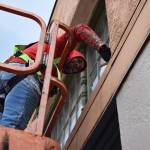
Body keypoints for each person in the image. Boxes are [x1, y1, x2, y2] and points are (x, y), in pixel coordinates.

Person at [0, 24, 111, 130]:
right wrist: (101, 47)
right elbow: (78, 29)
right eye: (78, 61)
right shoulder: (59, 49)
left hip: (8, 74)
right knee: (11, 127)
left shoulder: (52, 73)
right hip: (25, 76)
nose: (76, 67)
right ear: (71, 54)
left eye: (78, 69)